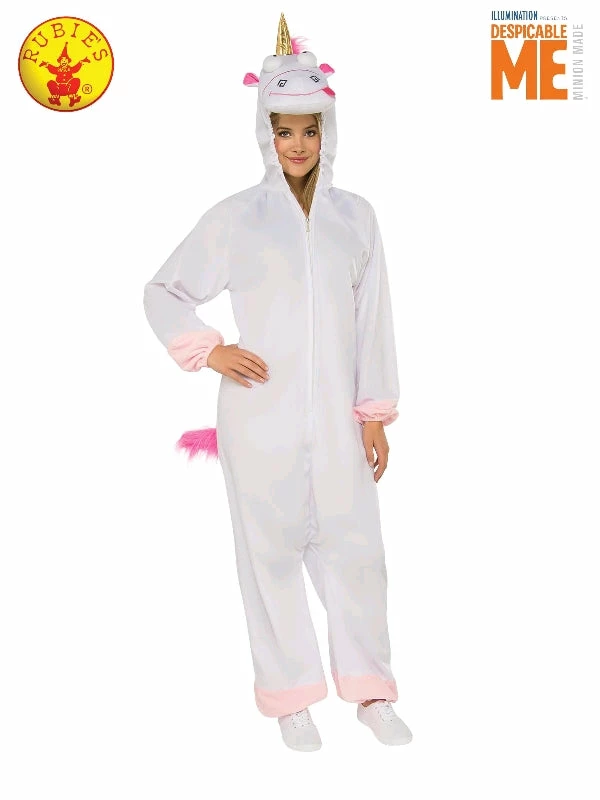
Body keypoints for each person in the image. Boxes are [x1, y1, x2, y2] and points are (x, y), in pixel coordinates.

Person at [143, 14, 412, 751]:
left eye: (309, 131)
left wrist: (374, 412)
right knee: (269, 558)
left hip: (337, 419)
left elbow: (373, 320)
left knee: (358, 554)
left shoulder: (357, 218)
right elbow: (163, 291)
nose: (297, 144)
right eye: (284, 131)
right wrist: (211, 351)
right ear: (265, 133)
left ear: (328, 132)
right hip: (258, 417)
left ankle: (371, 691)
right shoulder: (239, 217)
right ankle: (292, 697)